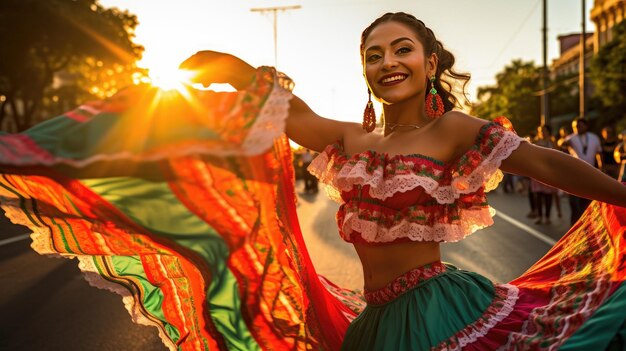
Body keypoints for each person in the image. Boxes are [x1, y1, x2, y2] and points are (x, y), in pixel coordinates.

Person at [2, 11, 626, 351]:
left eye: (402, 49)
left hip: (438, 310)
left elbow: (545, 162)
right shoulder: (354, 141)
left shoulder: (457, 131)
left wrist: (624, 194)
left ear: (431, 63)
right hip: (375, 324)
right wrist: (234, 68)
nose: (389, 63)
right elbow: (289, 115)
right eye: (374, 55)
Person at [559, 117, 603, 225]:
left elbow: (599, 153)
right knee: (574, 202)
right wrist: (564, 141)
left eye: (579, 126)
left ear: (586, 126)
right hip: (574, 173)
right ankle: (574, 225)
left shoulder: (594, 137)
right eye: (574, 127)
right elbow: (560, 144)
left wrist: (602, 168)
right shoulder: (571, 138)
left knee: (587, 201)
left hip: (590, 173)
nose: (577, 128)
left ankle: (587, 225)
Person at [529, 125, 559, 224]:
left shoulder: (552, 141)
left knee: (548, 196)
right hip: (538, 170)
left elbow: (557, 153)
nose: (542, 132)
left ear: (548, 131)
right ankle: (539, 216)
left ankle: (547, 216)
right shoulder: (535, 142)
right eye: (541, 131)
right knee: (538, 195)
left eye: (544, 130)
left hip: (549, 171)